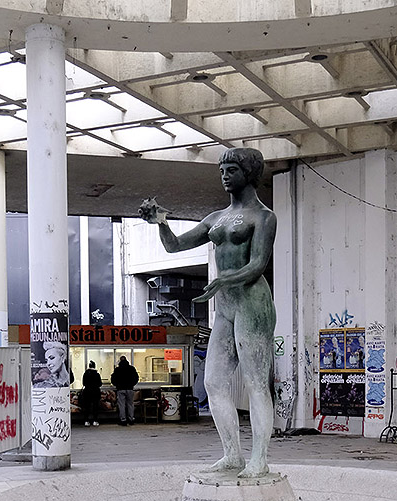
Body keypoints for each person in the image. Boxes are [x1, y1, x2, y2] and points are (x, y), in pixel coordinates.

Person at [139, 147, 276, 477]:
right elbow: (174, 246)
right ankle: (232, 454)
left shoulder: (263, 217)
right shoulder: (216, 218)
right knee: (213, 381)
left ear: (249, 173)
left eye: (232, 170)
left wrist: (223, 279)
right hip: (226, 304)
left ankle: (259, 458)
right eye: (222, 170)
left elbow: (258, 264)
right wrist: (161, 222)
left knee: (257, 383)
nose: (225, 176)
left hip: (252, 302)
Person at [110, 356, 139, 426]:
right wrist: (132, 384)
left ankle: (123, 420)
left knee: (121, 405)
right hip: (130, 389)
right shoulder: (131, 368)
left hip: (120, 389)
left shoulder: (117, 369)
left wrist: (117, 385)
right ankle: (131, 419)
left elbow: (113, 379)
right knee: (130, 404)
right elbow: (136, 378)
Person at [80, 360, 102, 426]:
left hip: (87, 392)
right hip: (95, 392)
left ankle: (86, 421)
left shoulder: (85, 374)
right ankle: (95, 420)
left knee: (87, 407)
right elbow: (100, 384)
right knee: (95, 407)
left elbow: (84, 383)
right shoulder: (97, 374)